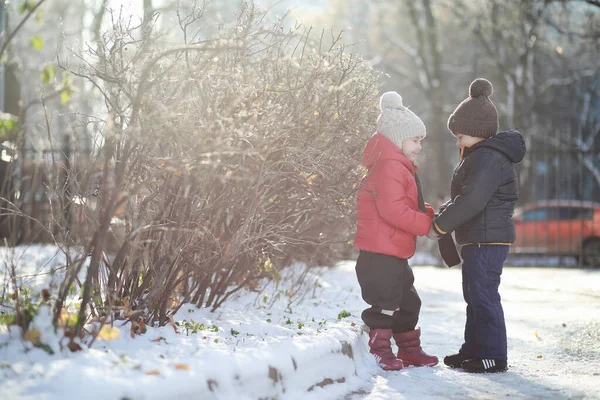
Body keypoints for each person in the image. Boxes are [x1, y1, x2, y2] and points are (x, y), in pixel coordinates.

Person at [429, 78, 526, 373]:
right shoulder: (479, 157)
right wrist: (442, 216)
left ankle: (494, 356)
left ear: (476, 132)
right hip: (478, 239)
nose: (457, 141)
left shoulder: (489, 159)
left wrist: (441, 227)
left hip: (488, 240)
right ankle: (473, 348)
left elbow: (472, 201)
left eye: (460, 135)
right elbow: (462, 198)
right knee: (474, 296)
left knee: (484, 296)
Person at [354, 91, 438, 371]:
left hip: (393, 251)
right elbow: (393, 210)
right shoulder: (389, 166)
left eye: (420, 141)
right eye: (415, 140)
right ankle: (379, 348)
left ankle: (409, 349)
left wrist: (428, 213)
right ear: (396, 139)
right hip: (380, 254)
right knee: (386, 303)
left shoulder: (398, 167)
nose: (419, 147)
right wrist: (425, 225)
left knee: (408, 301)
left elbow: (405, 202)